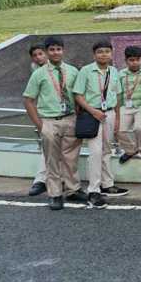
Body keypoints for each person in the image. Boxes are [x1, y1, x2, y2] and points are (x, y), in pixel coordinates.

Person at [22, 36, 86, 210]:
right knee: (52, 160)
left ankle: (73, 189)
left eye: (58, 49)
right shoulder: (39, 74)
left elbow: (79, 95)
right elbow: (28, 100)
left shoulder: (72, 71)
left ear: (63, 50)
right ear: (47, 52)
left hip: (70, 118)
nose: (55, 52)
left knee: (71, 158)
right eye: (52, 49)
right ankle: (55, 194)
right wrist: (40, 125)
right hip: (49, 121)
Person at [73, 40, 129, 209]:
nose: (103, 54)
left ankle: (107, 184)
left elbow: (117, 96)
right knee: (96, 152)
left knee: (106, 150)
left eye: (107, 51)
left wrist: (117, 118)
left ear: (111, 54)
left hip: (109, 113)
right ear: (94, 54)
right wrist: (92, 111)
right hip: (93, 115)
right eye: (100, 52)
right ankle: (93, 190)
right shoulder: (86, 71)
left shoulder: (114, 71)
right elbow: (78, 95)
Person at [117, 45, 141, 164]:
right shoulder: (121, 74)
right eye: (131, 60)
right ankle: (130, 150)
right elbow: (119, 92)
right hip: (125, 107)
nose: (135, 63)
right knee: (119, 130)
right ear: (126, 61)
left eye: (137, 59)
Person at [27, 43, 49, 197]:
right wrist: (37, 121)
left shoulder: (64, 69)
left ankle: (58, 179)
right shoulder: (36, 71)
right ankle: (40, 180)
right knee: (47, 148)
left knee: (64, 150)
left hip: (66, 114)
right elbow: (30, 98)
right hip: (46, 114)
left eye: (41, 53)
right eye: (35, 55)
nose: (38, 57)